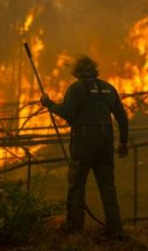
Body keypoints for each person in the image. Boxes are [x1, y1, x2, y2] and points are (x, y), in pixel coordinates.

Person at [40, 55, 129, 236]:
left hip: (84, 142)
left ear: (77, 72)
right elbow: (121, 116)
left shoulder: (76, 89)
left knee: (77, 182)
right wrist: (123, 142)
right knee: (107, 185)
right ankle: (115, 227)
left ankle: (74, 226)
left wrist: (48, 104)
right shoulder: (108, 89)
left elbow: (67, 114)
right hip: (105, 141)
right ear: (94, 70)